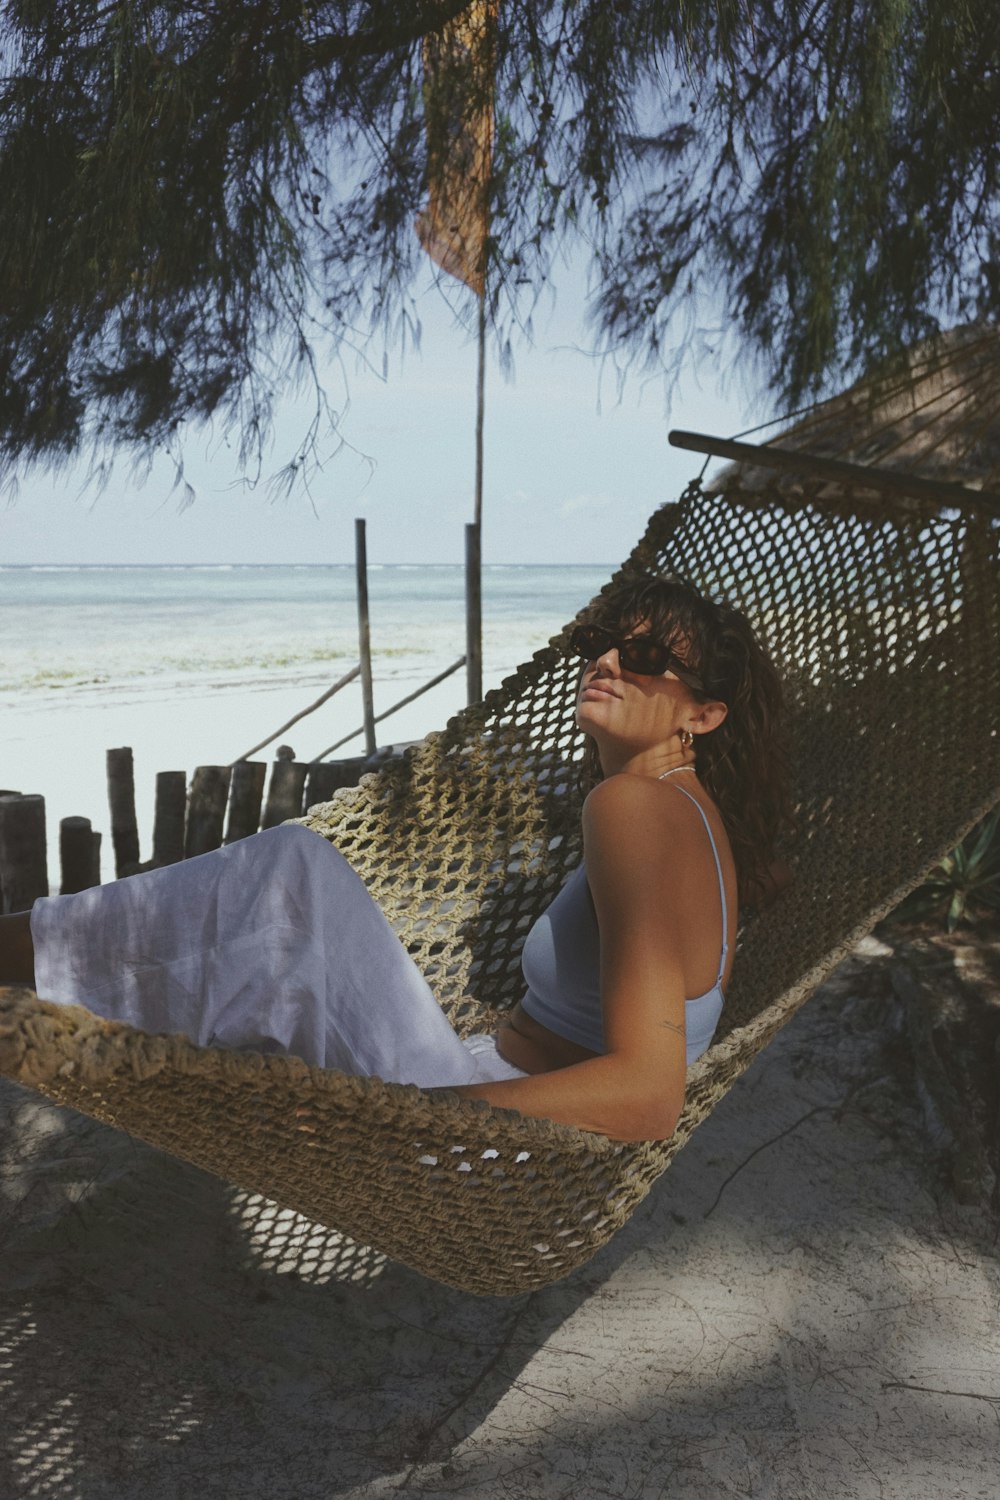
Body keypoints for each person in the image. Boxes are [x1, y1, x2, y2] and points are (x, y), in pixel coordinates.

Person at [0, 573, 789, 1143]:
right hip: (490, 1085)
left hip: (497, 1127)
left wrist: (417, 1115)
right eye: (601, 642)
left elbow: (649, 1097)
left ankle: (22, 975)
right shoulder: (692, 818)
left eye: (647, 654)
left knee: (287, 882)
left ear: (705, 714)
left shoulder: (633, 807)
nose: (609, 661)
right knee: (285, 894)